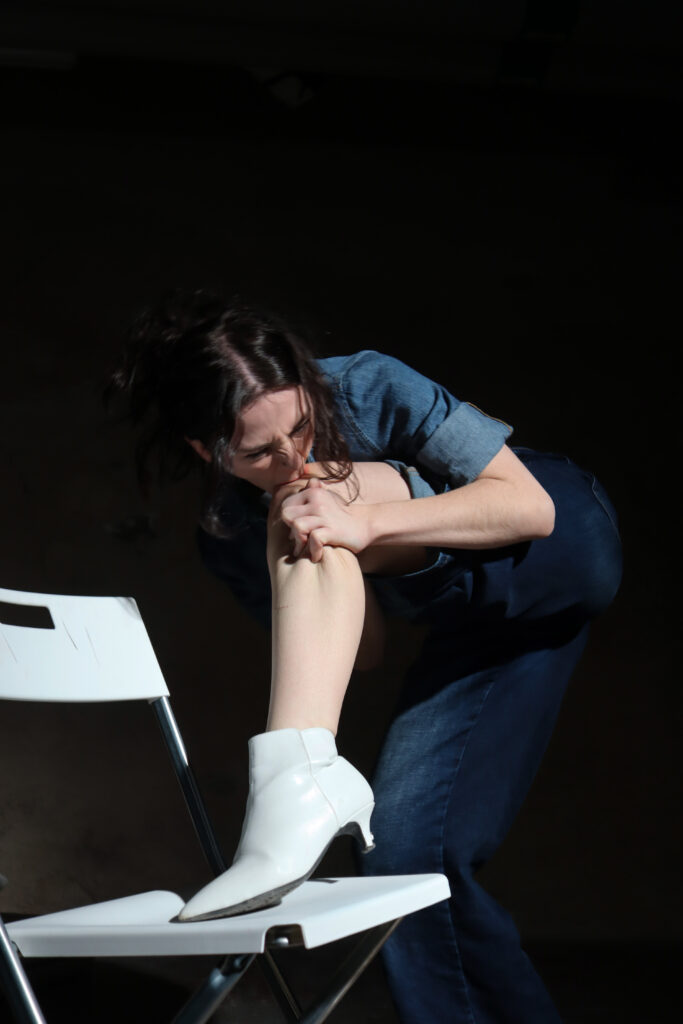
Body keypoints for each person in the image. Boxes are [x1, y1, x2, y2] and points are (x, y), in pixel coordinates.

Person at [109, 289, 622, 1024]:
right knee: (404, 856)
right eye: (257, 453)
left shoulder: (364, 385)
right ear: (206, 451)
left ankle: (291, 787)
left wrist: (362, 522)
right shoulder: (228, 532)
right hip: (480, 632)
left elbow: (528, 508)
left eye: (301, 426)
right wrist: (325, 555)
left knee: (310, 496)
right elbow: (367, 648)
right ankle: (304, 781)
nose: (292, 454)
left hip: (560, 545)